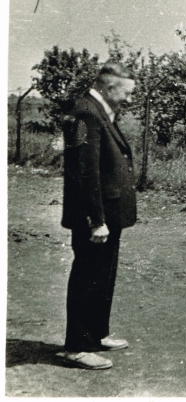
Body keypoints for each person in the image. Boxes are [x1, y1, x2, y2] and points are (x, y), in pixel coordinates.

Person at [60, 62, 137, 370]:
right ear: (108, 87)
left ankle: (97, 334)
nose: (130, 99)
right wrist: (96, 219)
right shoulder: (86, 113)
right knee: (87, 277)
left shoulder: (99, 111)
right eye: (127, 93)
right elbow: (85, 171)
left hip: (110, 212)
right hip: (96, 217)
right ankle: (76, 347)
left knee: (103, 276)